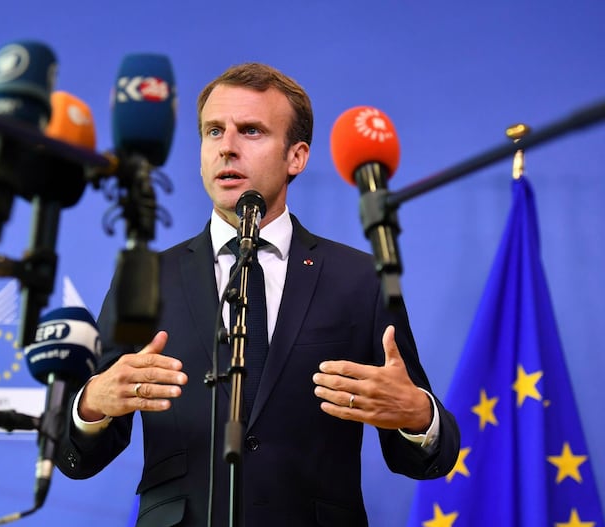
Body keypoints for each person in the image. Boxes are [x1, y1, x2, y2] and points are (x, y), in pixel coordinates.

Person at [56, 62, 460, 527]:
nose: (226, 147)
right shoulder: (147, 276)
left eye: (250, 131)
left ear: (297, 157)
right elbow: (78, 457)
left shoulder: (358, 279)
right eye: (213, 132)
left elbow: (433, 456)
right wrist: (92, 404)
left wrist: (417, 415)